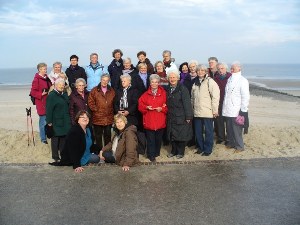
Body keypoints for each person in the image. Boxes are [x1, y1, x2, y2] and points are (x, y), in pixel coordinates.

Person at [191, 65, 220, 156]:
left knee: (208, 132)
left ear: (205, 72)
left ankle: (208, 149)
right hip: (197, 112)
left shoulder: (210, 82)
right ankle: (200, 148)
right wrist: (192, 109)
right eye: (198, 70)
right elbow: (192, 97)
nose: (200, 72)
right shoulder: (194, 82)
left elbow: (215, 96)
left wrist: (215, 110)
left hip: (207, 111)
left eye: (202, 70)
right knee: (198, 132)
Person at [138, 74, 167, 162]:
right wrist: (146, 107)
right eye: (152, 82)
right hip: (149, 120)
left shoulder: (164, 93)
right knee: (150, 140)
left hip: (160, 119)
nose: (154, 84)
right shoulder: (145, 94)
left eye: (156, 82)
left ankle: (156, 153)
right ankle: (151, 155)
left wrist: (161, 108)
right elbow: (140, 105)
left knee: (158, 139)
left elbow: (168, 106)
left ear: (159, 83)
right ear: (150, 83)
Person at [222, 61, 250, 153]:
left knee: (236, 129)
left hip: (236, 109)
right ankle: (231, 143)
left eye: (234, 67)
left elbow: (245, 96)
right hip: (228, 108)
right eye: (231, 67)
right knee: (229, 128)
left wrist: (243, 110)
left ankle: (240, 146)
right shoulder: (230, 78)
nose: (232, 69)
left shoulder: (243, 80)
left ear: (239, 68)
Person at [166, 69, 193, 159]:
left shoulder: (183, 89)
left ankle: (180, 152)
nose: (172, 79)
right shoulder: (167, 89)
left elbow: (187, 103)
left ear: (177, 78)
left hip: (181, 115)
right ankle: (173, 151)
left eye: (174, 77)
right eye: (170, 77)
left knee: (181, 135)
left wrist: (188, 116)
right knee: (172, 134)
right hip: (171, 115)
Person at [46, 78, 71, 162]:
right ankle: (55, 156)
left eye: (63, 85)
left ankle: (63, 155)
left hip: (65, 121)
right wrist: (49, 122)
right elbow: (48, 110)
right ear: (55, 86)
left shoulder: (64, 94)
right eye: (60, 85)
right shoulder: (51, 95)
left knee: (63, 138)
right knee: (55, 139)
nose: (61, 86)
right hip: (56, 120)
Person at [88, 74, 115, 150]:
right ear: (100, 80)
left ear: (108, 81)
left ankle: (107, 152)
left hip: (108, 117)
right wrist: (96, 110)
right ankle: (99, 153)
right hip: (97, 117)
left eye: (107, 80)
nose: (105, 82)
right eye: (103, 80)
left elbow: (114, 102)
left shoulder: (111, 90)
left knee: (107, 136)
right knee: (98, 137)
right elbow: (90, 102)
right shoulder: (94, 90)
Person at [30, 62, 52, 144]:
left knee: (48, 121)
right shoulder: (36, 79)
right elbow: (32, 92)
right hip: (41, 103)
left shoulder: (46, 78)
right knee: (43, 122)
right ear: (39, 69)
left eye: (46, 69)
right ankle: (43, 139)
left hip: (48, 102)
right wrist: (41, 94)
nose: (45, 70)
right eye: (43, 69)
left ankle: (48, 135)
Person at [214, 62, 231, 144]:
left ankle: (229, 138)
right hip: (219, 102)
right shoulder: (215, 78)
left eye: (222, 68)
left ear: (226, 69)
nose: (220, 70)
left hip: (228, 102)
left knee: (228, 121)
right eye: (219, 69)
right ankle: (221, 138)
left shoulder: (230, 77)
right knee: (219, 121)